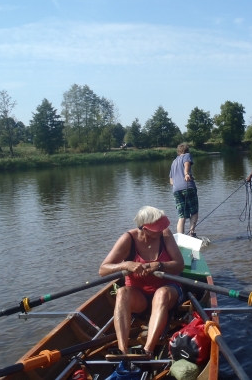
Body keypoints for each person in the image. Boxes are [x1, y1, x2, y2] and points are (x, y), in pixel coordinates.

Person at [99, 206, 185, 356]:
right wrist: (126, 264)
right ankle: (123, 351)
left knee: (161, 294)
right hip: (139, 297)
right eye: (157, 228)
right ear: (144, 228)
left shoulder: (165, 235)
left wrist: (159, 265)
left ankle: (147, 351)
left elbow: (179, 264)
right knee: (122, 292)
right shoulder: (128, 239)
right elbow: (103, 270)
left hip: (168, 290)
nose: (162, 229)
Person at [169, 143, 199, 235]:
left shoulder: (174, 162)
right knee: (194, 212)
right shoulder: (187, 155)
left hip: (176, 190)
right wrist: (186, 174)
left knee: (182, 216)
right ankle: (192, 233)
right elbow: (186, 165)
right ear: (187, 150)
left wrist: (178, 184)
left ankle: (180, 238)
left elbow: (171, 181)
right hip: (188, 187)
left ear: (178, 151)